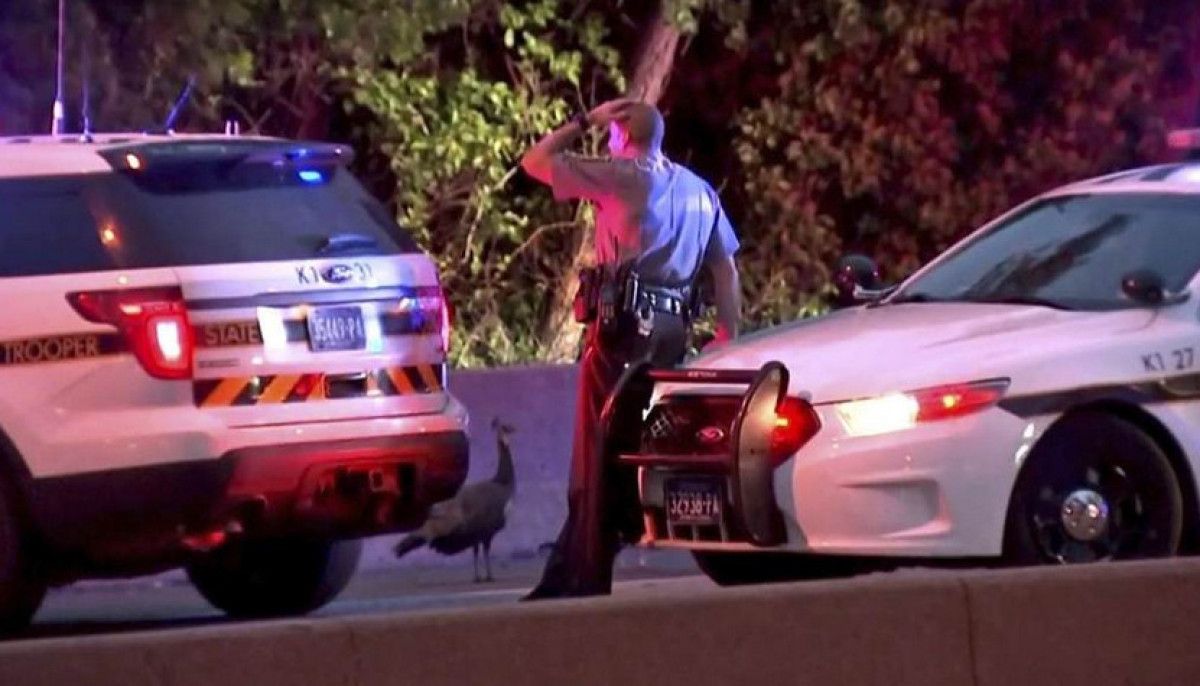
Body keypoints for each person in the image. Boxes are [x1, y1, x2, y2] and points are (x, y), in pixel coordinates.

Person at [519, 98, 742, 599]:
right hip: (672, 333)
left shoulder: (624, 176)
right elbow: (725, 268)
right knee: (629, 445)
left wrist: (584, 120)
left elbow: (535, 162)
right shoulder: (699, 190)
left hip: (621, 331)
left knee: (596, 450)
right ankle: (573, 564)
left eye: (611, 134)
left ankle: (585, 573)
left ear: (621, 137)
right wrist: (727, 333)